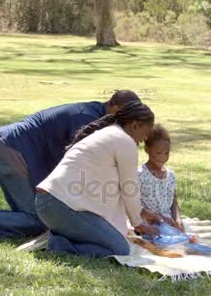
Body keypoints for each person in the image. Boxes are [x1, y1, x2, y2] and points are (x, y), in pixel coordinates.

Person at [0, 90, 140, 238]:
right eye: (122, 115)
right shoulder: (87, 119)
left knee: (38, 214)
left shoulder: (95, 115)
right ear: (112, 105)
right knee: (39, 219)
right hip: (14, 150)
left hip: (14, 147)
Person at [35, 101, 160, 257]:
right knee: (120, 249)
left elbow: (117, 188)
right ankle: (57, 244)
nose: (146, 138)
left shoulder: (109, 133)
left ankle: (64, 236)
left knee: (116, 241)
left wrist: (141, 213)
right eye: (146, 131)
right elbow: (129, 188)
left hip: (50, 203)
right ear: (135, 125)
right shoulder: (125, 141)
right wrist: (139, 224)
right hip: (60, 206)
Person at [138, 124, 184, 231]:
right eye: (158, 153)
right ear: (147, 149)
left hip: (169, 221)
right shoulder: (140, 174)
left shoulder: (170, 175)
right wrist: (160, 219)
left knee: (189, 237)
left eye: (166, 153)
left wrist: (178, 219)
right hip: (148, 221)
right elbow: (134, 205)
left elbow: (173, 201)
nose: (162, 157)